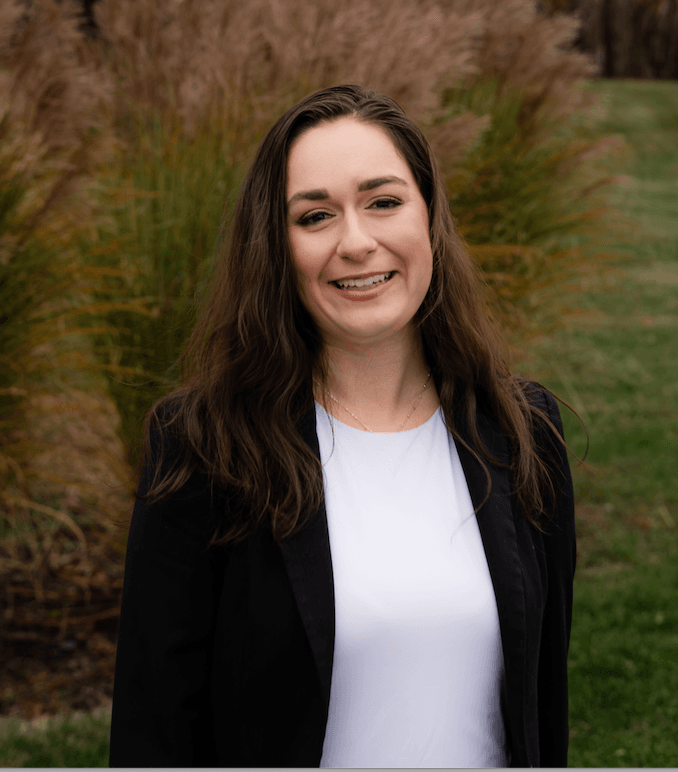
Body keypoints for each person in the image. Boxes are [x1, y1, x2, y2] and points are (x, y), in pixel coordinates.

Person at [109, 84, 576, 768]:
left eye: (383, 202)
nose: (356, 242)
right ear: (277, 246)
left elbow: (544, 706)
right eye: (316, 216)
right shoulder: (206, 447)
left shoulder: (524, 431)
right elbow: (154, 730)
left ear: (429, 216)